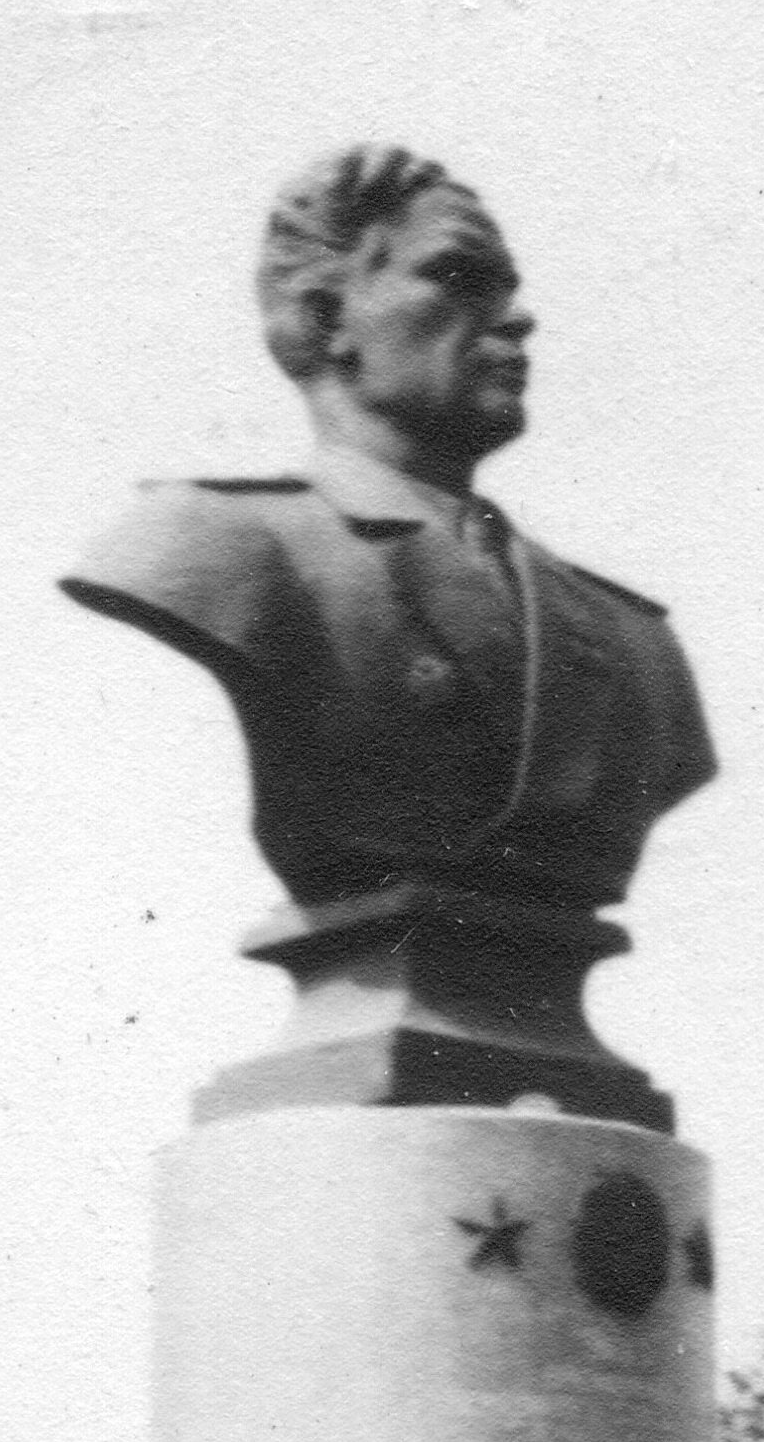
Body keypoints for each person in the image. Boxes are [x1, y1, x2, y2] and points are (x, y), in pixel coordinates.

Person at [63, 145, 714, 916]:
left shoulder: (635, 642)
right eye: (456, 276)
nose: (517, 318)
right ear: (327, 316)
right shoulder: (213, 544)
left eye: (509, 290)